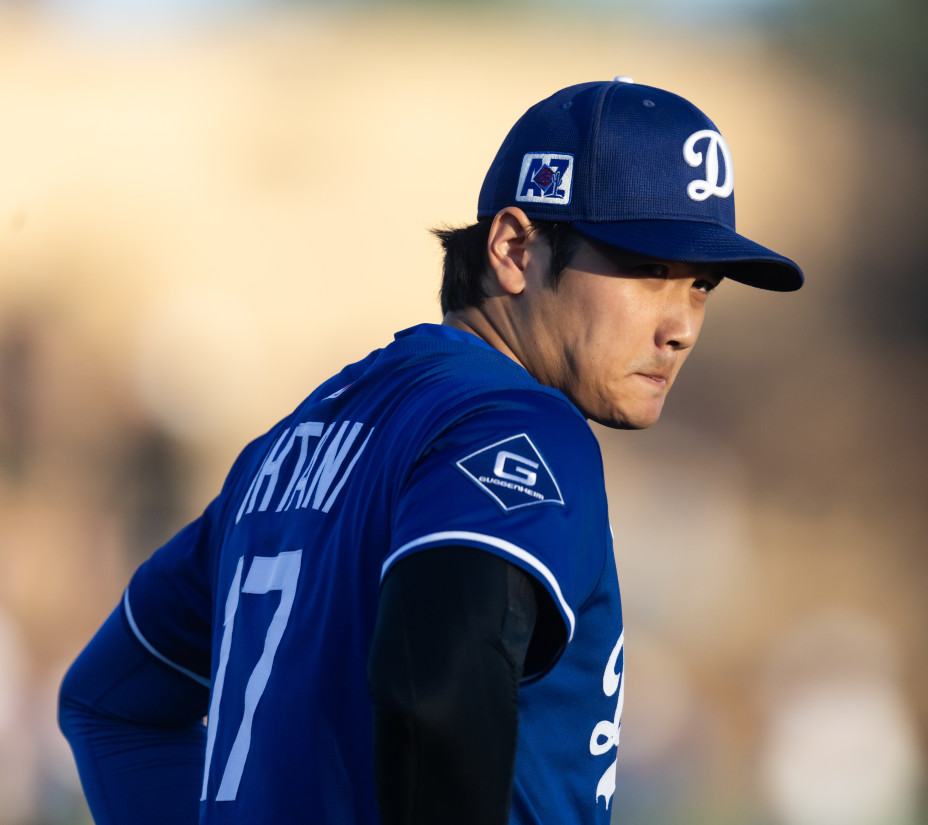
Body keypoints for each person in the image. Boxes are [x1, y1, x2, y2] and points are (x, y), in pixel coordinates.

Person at [57, 77, 803, 825]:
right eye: (648, 271)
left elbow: (110, 703)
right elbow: (435, 692)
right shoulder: (517, 423)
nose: (682, 326)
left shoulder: (285, 447)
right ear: (515, 248)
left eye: (701, 285)